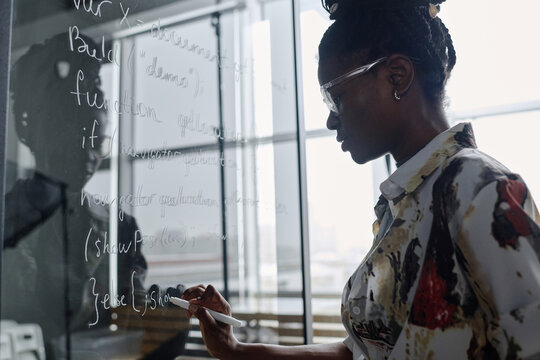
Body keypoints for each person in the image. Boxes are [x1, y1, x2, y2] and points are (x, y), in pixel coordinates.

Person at [181, 0, 540, 359]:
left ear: (396, 76)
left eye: (336, 97)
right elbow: (360, 353)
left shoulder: (479, 188)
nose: (331, 120)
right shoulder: (406, 201)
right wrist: (234, 350)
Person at [2, 32, 187, 359]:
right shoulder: (11, 221)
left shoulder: (121, 227)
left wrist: (166, 313)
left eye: (96, 142)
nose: (88, 155)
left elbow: (131, 316)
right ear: (36, 131)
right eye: (77, 138)